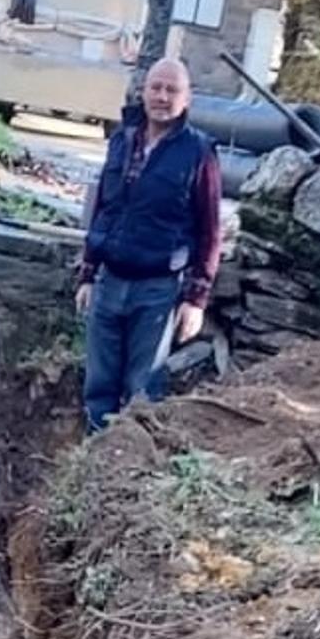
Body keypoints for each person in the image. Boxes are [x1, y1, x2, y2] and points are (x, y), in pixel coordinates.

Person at [75, 57, 222, 433]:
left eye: (172, 90)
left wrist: (196, 300)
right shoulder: (122, 140)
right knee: (99, 385)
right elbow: (104, 210)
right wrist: (88, 273)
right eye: (156, 87)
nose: (162, 96)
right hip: (109, 282)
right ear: (144, 91)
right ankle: (92, 463)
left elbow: (210, 230)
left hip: (158, 288)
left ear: (187, 99)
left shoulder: (198, 152)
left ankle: (130, 470)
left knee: (143, 389)